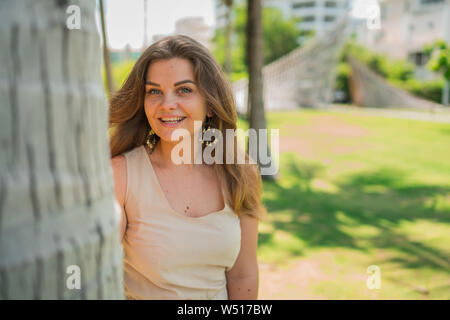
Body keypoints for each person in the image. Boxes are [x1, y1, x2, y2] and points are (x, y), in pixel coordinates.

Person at [109, 35, 267, 300]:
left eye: (184, 90)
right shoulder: (121, 175)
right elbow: (100, 272)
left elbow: (243, 274)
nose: (167, 104)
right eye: (154, 91)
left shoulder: (242, 174)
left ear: (210, 105)